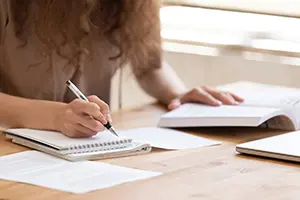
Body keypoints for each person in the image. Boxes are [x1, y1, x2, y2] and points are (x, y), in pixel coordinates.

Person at [0, 0, 243, 138]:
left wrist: (177, 95)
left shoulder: (134, 4)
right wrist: (56, 116)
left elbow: (149, 66)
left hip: (87, 148)